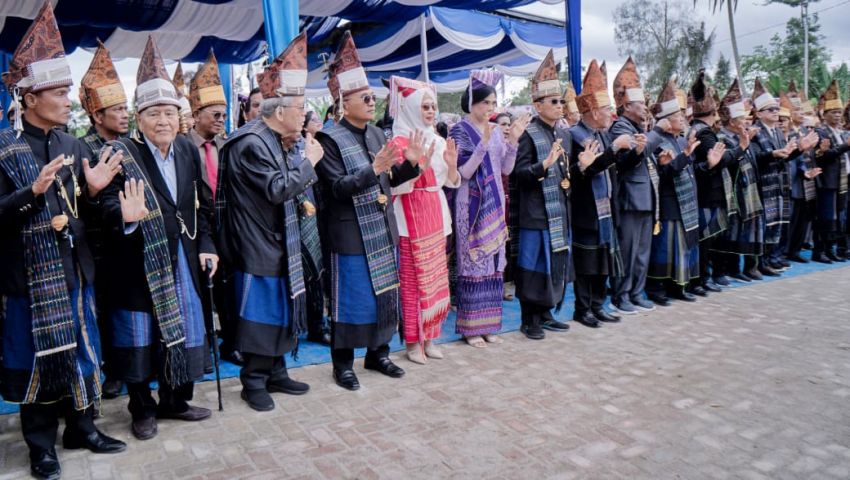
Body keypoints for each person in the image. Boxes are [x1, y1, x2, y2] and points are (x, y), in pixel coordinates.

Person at [0, 3, 126, 478]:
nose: (68, 100)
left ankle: (83, 426)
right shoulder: (3, 148)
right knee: (39, 356)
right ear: (29, 98)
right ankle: (40, 445)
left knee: (81, 349)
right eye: (58, 92)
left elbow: (82, 212)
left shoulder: (73, 146)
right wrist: (29, 194)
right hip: (27, 277)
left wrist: (94, 193)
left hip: (75, 271)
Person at [99, 36, 217, 441]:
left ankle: (175, 400)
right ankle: (142, 408)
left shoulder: (187, 150)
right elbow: (106, 210)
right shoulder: (118, 154)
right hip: (137, 262)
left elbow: (203, 204)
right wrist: (126, 217)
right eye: (154, 113)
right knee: (142, 336)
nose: (163, 120)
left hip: (182, 255)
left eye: (169, 112)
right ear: (139, 117)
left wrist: (207, 246)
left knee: (182, 329)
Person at [217, 32, 319, 411]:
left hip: (276, 241)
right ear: (279, 111)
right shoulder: (251, 142)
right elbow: (277, 189)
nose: (305, 114)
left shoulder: (274, 140)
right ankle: (253, 381)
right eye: (300, 107)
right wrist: (310, 163)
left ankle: (275, 372)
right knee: (261, 315)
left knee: (281, 309)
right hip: (256, 243)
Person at [314, 32, 419, 390]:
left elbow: (389, 179)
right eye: (365, 97)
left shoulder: (377, 134)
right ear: (344, 103)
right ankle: (342, 363)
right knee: (351, 299)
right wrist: (372, 170)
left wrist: (413, 166)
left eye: (373, 96)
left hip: (381, 225)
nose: (373, 101)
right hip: (349, 233)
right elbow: (337, 187)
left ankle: (379, 353)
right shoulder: (328, 138)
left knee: (384, 295)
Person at [449, 70, 528, 348]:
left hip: (494, 203)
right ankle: (471, 328)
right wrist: (482, 145)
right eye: (486, 104)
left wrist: (514, 141)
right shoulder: (459, 130)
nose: (491, 109)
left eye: (494, 104)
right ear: (471, 102)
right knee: (473, 263)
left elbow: (505, 169)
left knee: (494, 265)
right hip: (470, 204)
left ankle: (490, 324)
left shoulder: (495, 131)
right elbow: (464, 171)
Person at [386, 76, 460, 363]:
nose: (430, 111)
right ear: (412, 108)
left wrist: (452, 167)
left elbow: (451, 183)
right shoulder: (400, 140)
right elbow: (395, 186)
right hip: (409, 214)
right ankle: (413, 343)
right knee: (412, 280)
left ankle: (431, 337)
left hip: (435, 210)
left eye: (433, 106)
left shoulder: (439, 139)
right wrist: (416, 168)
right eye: (425, 106)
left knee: (436, 278)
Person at [77, 40, 131, 399]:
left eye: (128, 108)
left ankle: (133, 364)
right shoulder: (83, 148)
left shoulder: (132, 145)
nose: (126, 115)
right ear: (97, 116)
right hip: (98, 244)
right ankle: (112, 370)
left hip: (132, 237)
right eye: (118, 109)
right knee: (107, 308)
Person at [511, 50, 574, 340]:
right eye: (554, 101)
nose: (560, 106)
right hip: (535, 213)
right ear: (538, 105)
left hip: (557, 211)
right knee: (533, 266)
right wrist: (543, 165)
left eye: (561, 101)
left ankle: (546, 314)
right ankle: (529, 319)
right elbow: (518, 174)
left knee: (552, 265)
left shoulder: (559, 134)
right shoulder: (528, 134)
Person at [187, 51, 242, 366]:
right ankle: (205, 342)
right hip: (197, 230)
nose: (221, 120)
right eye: (215, 114)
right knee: (201, 289)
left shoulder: (229, 146)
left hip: (228, 228)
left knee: (229, 289)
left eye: (224, 114)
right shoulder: (183, 148)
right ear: (196, 113)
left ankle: (231, 342)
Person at [567, 60, 632, 328]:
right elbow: (579, 172)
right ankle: (583, 309)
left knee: (603, 261)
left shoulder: (602, 134)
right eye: (607, 109)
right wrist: (612, 151)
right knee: (586, 264)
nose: (611, 114)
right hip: (586, 209)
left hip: (607, 206)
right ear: (593, 111)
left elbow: (611, 166)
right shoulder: (573, 135)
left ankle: (598, 305)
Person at [645, 81, 711, 305]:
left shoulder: (682, 139)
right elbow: (666, 172)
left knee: (684, 247)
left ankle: (678, 286)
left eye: (683, 116)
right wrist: (686, 154)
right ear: (665, 120)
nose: (683, 119)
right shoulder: (658, 142)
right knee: (665, 248)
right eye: (678, 116)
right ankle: (656, 289)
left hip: (687, 203)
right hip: (669, 203)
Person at [750, 78, 818, 274]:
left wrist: (799, 149)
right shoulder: (755, 132)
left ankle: (772, 258)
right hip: (764, 184)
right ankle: (760, 263)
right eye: (770, 109)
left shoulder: (778, 133)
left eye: (776, 109)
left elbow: (785, 157)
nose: (775, 112)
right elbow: (756, 157)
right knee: (765, 225)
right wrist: (773, 154)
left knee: (778, 224)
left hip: (780, 183)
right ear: (759, 113)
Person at [609, 57, 657, 315]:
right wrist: (655, 132)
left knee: (641, 252)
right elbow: (623, 162)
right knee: (627, 250)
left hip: (647, 196)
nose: (645, 108)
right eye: (641, 103)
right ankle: (621, 294)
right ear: (627, 106)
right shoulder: (620, 126)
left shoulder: (641, 126)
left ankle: (637, 291)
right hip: (630, 197)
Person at [710, 80, 768, 284]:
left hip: (747, 190)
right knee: (729, 232)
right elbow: (729, 161)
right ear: (732, 121)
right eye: (742, 118)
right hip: (732, 191)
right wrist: (743, 145)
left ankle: (739, 269)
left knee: (743, 231)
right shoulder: (723, 138)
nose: (746, 121)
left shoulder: (743, 136)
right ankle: (723, 271)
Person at [689, 70, 735, 291]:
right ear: (713, 111)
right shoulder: (704, 133)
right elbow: (717, 159)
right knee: (705, 239)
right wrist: (741, 149)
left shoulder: (700, 130)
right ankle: (702, 279)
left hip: (707, 192)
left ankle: (704, 278)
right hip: (707, 193)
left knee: (708, 238)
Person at [813, 80, 850, 263]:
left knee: (839, 217)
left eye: (839, 112)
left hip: (843, 180)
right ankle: (820, 251)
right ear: (824, 114)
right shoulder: (821, 132)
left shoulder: (842, 133)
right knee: (826, 217)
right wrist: (845, 146)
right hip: (827, 181)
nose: (837, 116)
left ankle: (832, 249)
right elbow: (824, 156)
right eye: (833, 112)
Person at [785, 82, 822, 263]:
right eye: (798, 111)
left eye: (803, 111)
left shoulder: (805, 131)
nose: (802, 114)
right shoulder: (790, 133)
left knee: (802, 217)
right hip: (794, 178)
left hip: (806, 179)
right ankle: (786, 250)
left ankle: (795, 249)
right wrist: (803, 171)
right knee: (792, 218)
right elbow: (796, 156)